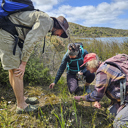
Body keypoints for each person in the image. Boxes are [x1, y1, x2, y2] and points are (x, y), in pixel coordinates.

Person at [0, 9, 69, 113]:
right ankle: (21, 106)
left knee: (13, 70)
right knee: (17, 70)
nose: (59, 35)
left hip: (7, 32)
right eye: (61, 33)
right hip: (6, 33)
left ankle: (21, 99)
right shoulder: (46, 22)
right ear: (58, 26)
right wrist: (23, 63)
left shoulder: (45, 21)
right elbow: (30, 41)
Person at [74, 53, 128, 128]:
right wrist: (97, 100)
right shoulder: (105, 66)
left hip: (126, 99)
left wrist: (80, 98)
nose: (86, 68)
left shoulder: (102, 71)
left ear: (91, 64)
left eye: (86, 65)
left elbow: (96, 95)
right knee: (111, 114)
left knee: (118, 124)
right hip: (123, 98)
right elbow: (102, 90)